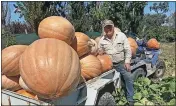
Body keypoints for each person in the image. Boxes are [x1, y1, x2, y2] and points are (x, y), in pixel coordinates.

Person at [98, 19, 134, 106]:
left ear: (113, 27)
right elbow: (99, 52)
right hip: (109, 66)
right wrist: (99, 52)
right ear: (104, 29)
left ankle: (130, 99)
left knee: (129, 78)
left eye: (110, 27)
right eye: (106, 27)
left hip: (121, 63)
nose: (108, 29)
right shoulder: (102, 40)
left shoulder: (121, 36)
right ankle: (116, 95)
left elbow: (127, 49)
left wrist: (127, 62)